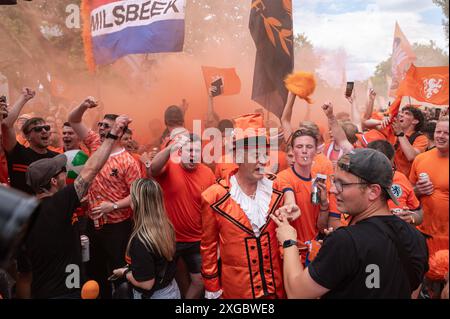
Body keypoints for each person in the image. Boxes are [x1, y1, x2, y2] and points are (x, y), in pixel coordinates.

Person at [272, 148, 428, 298]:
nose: (333, 189)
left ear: (373, 191)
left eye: (342, 184)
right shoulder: (416, 237)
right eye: (334, 181)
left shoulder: (345, 241)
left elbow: (296, 292)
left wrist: (288, 241)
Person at [21, 115, 131, 298]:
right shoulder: (60, 202)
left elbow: (25, 274)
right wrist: (112, 136)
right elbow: (91, 169)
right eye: (62, 170)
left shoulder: (27, 214)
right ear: (54, 181)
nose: (66, 172)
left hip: (42, 291)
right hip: (65, 293)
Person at [201, 113, 300, 299]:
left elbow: (289, 184)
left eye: (265, 154)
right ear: (237, 157)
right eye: (256, 154)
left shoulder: (276, 187)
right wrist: (213, 288)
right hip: (237, 292)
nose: (263, 160)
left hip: (276, 289)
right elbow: (209, 248)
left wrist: (291, 200)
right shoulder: (214, 197)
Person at [68, 97, 142, 298]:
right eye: (100, 124)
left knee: (118, 271)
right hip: (93, 222)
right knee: (94, 269)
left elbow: (137, 197)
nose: (100, 128)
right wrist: (83, 105)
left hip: (117, 226)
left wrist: (114, 205)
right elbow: (73, 120)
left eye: (107, 126)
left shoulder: (128, 162)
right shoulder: (95, 144)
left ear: (120, 131)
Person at [150, 132, 215, 299]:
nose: (193, 155)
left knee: (200, 281)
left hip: (196, 240)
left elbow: (212, 207)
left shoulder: (208, 173)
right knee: (161, 280)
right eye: (189, 150)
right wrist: (171, 147)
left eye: (197, 151)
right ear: (180, 151)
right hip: (169, 239)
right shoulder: (170, 165)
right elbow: (153, 168)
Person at [277, 128, 342, 261]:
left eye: (309, 146)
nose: (304, 151)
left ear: (316, 151)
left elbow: (320, 226)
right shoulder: (284, 177)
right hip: (292, 252)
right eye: (299, 146)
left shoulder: (319, 181)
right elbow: (288, 193)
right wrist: (290, 204)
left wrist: (324, 205)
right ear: (293, 151)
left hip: (314, 252)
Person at [112, 178, 180, 299]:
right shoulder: (166, 226)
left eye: (131, 196)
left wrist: (125, 273)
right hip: (171, 290)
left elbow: (147, 284)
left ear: (136, 203)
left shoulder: (140, 240)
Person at [409, 116, 449, 298]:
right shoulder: (421, 159)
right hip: (424, 233)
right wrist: (417, 190)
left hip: (448, 235)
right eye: (438, 131)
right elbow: (408, 196)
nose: (441, 136)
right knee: (423, 281)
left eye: (447, 133)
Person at [1, 88, 60, 194]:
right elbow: (6, 124)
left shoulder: (57, 158)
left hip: (47, 209)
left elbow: (61, 188)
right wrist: (23, 98)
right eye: (37, 129)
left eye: (46, 128)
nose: (44, 131)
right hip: (22, 208)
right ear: (27, 136)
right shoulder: (18, 153)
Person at [367, 140, 423, 226]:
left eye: (388, 168)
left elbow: (418, 213)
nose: (383, 173)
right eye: (376, 168)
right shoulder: (357, 181)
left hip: (399, 235)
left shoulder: (400, 178)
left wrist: (410, 218)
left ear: (393, 162)